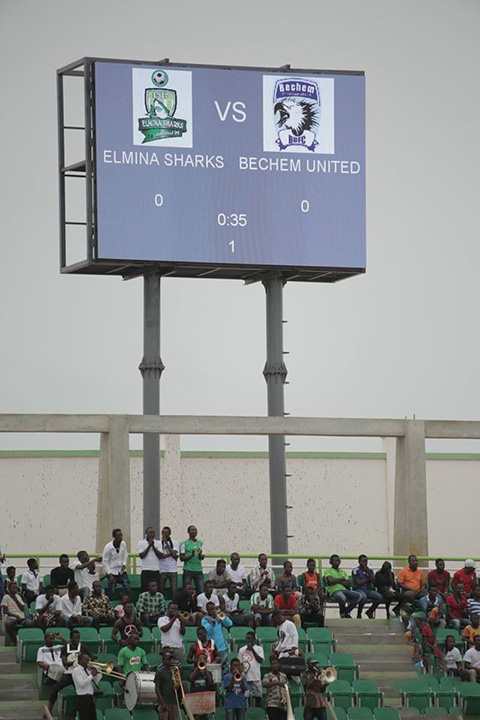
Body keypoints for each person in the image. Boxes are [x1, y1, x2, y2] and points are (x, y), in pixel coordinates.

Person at [47, 628, 84, 714]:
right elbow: (65, 663)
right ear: (71, 638)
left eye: (78, 638)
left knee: (82, 693)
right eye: (75, 638)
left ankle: (82, 713)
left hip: (79, 674)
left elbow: (89, 658)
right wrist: (75, 662)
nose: (77, 640)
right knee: (55, 689)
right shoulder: (65, 648)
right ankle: (49, 711)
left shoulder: (82, 647)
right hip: (69, 674)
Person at [201, 600, 233, 675]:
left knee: (224, 669)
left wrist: (223, 617)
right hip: (211, 648)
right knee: (212, 668)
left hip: (222, 647)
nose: (213, 611)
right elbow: (207, 630)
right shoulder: (205, 620)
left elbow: (229, 624)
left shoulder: (218, 618)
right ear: (207, 610)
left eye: (214, 609)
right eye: (211, 609)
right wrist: (214, 621)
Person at [72, 651, 102, 720]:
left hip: (90, 697)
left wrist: (97, 672)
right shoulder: (76, 670)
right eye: (85, 660)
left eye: (88, 660)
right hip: (82, 698)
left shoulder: (88, 670)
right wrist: (92, 675)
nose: (88, 662)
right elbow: (81, 683)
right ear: (79, 661)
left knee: (93, 718)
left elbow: (96, 681)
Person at [103, 528, 130, 600]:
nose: (120, 537)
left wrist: (124, 564)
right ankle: (112, 604)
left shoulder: (123, 544)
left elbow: (125, 555)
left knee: (127, 586)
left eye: (121, 535)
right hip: (112, 572)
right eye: (118, 536)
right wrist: (110, 574)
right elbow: (105, 561)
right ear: (114, 536)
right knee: (112, 589)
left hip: (121, 571)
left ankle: (126, 602)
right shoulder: (108, 547)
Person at [238, 630, 264, 701]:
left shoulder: (259, 649)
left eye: (250, 638)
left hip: (256, 677)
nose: (248, 640)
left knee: (257, 697)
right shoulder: (241, 650)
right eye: (247, 638)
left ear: (254, 639)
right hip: (245, 678)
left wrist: (252, 650)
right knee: (246, 697)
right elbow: (239, 664)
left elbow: (260, 660)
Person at [180, 525, 205, 594]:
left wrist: (200, 554)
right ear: (188, 532)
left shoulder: (200, 543)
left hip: (198, 570)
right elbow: (181, 558)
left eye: (195, 530)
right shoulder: (184, 544)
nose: (194, 531)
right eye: (192, 530)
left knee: (201, 590)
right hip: (188, 570)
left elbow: (202, 557)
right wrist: (191, 555)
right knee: (186, 591)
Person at [155, 652, 180, 720]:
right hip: (164, 701)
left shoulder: (175, 671)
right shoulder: (160, 672)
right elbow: (157, 689)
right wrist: (162, 703)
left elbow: (178, 686)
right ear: (163, 661)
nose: (170, 661)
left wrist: (177, 687)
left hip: (174, 701)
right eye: (168, 659)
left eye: (171, 659)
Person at [138, 527, 163, 592]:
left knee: (157, 590)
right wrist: (149, 546)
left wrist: (153, 546)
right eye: (150, 532)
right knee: (145, 589)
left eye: (153, 533)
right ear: (146, 534)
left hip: (156, 570)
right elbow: (141, 556)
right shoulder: (141, 543)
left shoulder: (158, 543)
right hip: (146, 570)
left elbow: (160, 555)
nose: (152, 534)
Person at [1, 580, 25, 644]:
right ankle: (13, 638)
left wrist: (15, 599)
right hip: (12, 617)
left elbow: (22, 609)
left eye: (16, 588)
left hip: (21, 617)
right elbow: (5, 611)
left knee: (30, 623)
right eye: (13, 588)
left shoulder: (18, 596)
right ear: (9, 589)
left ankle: (24, 639)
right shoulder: (6, 597)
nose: (15, 589)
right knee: (8, 623)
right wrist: (15, 616)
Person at [158, 526, 180, 596]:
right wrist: (172, 554)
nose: (164, 534)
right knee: (161, 589)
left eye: (166, 533)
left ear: (169, 533)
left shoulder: (175, 542)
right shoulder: (158, 543)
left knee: (174, 590)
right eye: (163, 533)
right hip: (162, 569)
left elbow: (174, 554)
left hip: (172, 569)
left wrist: (166, 543)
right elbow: (160, 556)